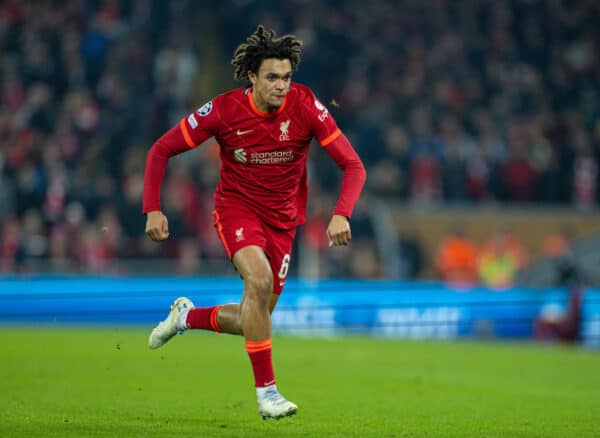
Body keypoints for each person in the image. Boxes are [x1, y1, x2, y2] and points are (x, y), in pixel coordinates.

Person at [142, 25, 366, 420]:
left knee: (254, 317)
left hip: (283, 223)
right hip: (237, 210)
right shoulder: (224, 110)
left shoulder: (306, 106)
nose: (281, 86)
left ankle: (185, 317)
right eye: (272, 78)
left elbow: (353, 165)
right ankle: (268, 394)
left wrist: (341, 212)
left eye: (286, 77)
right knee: (258, 283)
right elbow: (161, 149)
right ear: (253, 77)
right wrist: (152, 208)